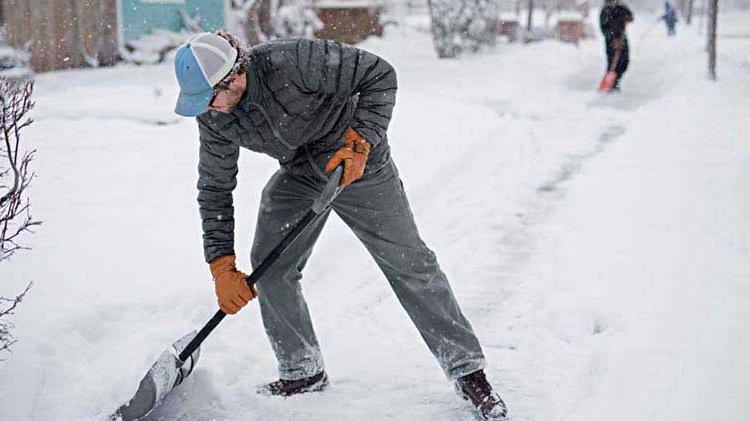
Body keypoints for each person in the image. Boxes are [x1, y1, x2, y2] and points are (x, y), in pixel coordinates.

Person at [172, 31, 508, 419]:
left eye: (211, 98)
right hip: (300, 171)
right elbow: (214, 187)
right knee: (271, 266)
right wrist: (220, 263)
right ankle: (302, 369)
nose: (208, 109)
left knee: (409, 262)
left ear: (233, 77)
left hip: (358, 164)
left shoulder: (294, 60)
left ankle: (468, 370)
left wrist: (361, 140)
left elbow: (379, 74)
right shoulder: (214, 116)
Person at [599, 0, 634, 91]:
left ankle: (616, 81)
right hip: (611, 41)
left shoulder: (621, 7)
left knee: (624, 62)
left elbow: (630, 17)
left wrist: (627, 18)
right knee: (613, 63)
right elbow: (603, 28)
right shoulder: (605, 11)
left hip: (622, 38)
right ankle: (611, 85)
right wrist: (613, 38)